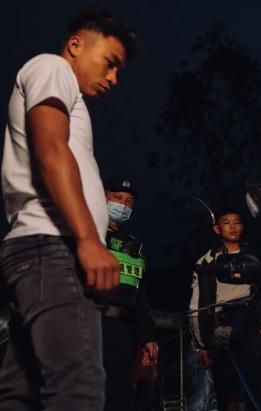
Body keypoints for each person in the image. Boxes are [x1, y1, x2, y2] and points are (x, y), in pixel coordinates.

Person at [0, 8, 139, 410]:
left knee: (21, 395)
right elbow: (51, 150)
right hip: (54, 248)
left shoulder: (67, 94)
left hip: (41, 253)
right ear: (76, 45)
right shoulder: (52, 67)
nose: (113, 78)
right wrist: (88, 240)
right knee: (78, 389)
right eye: (109, 62)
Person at [188, 208, 261, 411]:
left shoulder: (254, 256)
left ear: (242, 227)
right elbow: (196, 304)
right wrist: (200, 345)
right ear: (217, 228)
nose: (232, 227)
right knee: (226, 387)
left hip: (252, 323)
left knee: (253, 387)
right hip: (221, 326)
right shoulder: (206, 262)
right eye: (227, 222)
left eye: (236, 222)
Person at [101, 177, 158, 411]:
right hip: (92, 325)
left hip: (124, 331)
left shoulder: (134, 245)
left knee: (121, 398)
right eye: (117, 198)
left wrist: (147, 337)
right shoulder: (88, 235)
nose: (123, 205)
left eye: (128, 202)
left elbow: (140, 296)